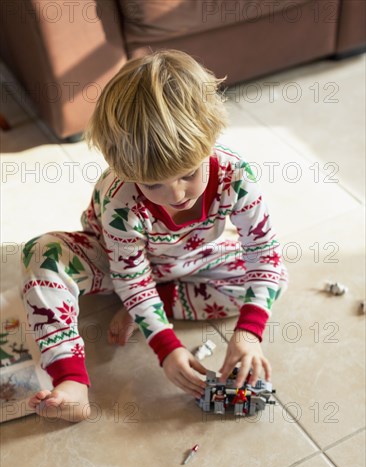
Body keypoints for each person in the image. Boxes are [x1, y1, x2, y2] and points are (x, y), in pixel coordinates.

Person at [21, 49, 288, 422]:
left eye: (188, 174)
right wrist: (165, 346)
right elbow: (130, 277)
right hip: (114, 265)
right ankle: (71, 380)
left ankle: (158, 296)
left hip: (189, 258)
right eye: (154, 184)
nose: (176, 195)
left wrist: (248, 333)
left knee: (270, 280)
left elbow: (265, 256)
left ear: (210, 140)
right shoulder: (121, 199)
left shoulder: (235, 176)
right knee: (42, 254)